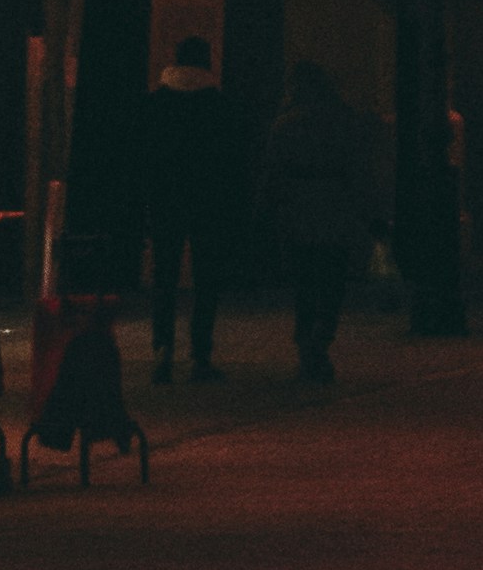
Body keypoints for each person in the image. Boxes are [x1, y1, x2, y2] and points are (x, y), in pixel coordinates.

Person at [256, 57, 382, 384]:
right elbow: (360, 171)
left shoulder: (286, 124)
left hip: (297, 210)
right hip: (335, 208)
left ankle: (306, 340)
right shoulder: (344, 121)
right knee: (331, 280)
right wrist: (367, 211)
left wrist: (268, 209)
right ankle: (320, 338)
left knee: (304, 281)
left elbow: (273, 172)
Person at [135, 28, 243, 383]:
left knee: (164, 277)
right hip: (208, 201)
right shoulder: (219, 105)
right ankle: (200, 355)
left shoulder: (155, 103)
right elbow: (232, 160)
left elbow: (142, 157)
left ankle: (163, 349)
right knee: (206, 279)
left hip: (165, 200)